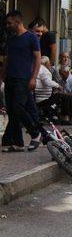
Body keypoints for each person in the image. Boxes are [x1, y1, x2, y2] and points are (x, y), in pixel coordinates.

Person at [1, 11, 43, 152]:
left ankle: (35, 133)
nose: (7, 25)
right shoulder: (11, 39)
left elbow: (38, 58)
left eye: (9, 23)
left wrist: (33, 78)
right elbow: (7, 59)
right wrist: (1, 76)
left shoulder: (31, 37)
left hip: (23, 78)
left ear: (18, 22)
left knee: (18, 107)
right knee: (12, 110)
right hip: (10, 78)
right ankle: (18, 143)